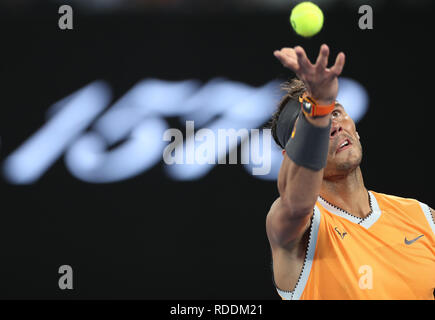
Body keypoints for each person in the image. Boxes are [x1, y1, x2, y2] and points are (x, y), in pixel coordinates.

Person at [266, 44, 435, 300]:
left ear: (354, 127)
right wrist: (318, 108)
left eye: (335, 113)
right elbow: (296, 201)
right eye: (315, 128)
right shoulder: (294, 227)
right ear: (291, 158)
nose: (333, 127)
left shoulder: (423, 217)